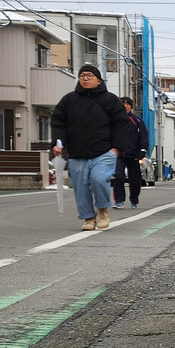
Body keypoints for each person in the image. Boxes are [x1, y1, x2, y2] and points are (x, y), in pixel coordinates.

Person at [51, 63, 131, 231]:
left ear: (99, 80)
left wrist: (116, 149)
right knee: (80, 187)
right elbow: (58, 123)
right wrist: (58, 143)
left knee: (98, 179)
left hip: (104, 151)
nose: (85, 79)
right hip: (77, 152)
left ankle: (102, 210)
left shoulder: (111, 100)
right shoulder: (69, 100)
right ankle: (88, 218)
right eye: (82, 76)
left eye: (89, 76)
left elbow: (121, 125)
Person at [111, 96, 150, 209]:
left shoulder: (137, 121)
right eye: (123, 104)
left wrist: (142, 150)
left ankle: (134, 200)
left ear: (131, 107)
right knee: (118, 176)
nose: (125, 106)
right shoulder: (114, 120)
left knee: (134, 179)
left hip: (134, 154)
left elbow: (143, 136)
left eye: (127, 104)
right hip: (118, 154)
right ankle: (119, 200)